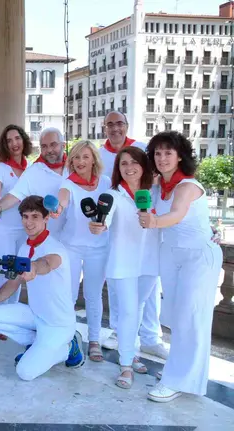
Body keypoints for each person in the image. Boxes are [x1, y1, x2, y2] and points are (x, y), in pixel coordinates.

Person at [139, 131, 223, 403]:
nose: (162, 158)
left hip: (198, 257)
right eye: (157, 153)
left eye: (168, 153)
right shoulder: (157, 185)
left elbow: (175, 215)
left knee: (192, 318)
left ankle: (176, 380)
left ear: (180, 156)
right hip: (172, 256)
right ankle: (181, 375)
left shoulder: (187, 186)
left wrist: (152, 222)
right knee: (178, 319)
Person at [0, 196, 85, 381]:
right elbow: (13, 283)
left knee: (24, 372)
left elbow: (47, 263)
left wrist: (34, 268)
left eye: (35, 216)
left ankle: (69, 347)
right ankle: (36, 345)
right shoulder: (25, 248)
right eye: (25, 216)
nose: (29, 222)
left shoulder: (55, 248)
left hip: (57, 324)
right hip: (35, 316)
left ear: (46, 218)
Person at [90, 146, 159, 389]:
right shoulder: (113, 195)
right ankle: (126, 365)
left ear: (144, 165)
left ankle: (132, 351)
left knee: (138, 308)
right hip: (122, 263)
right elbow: (104, 219)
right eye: (123, 164)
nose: (129, 168)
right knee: (129, 312)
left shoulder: (156, 190)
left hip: (150, 261)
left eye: (134, 162)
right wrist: (98, 225)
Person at [98, 111, 165, 360]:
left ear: (126, 126)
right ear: (104, 128)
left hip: (148, 243)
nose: (115, 128)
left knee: (147, 295)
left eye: (119, 124)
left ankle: (150, 337)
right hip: (118, 232)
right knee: (120, 293)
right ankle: (120, 333)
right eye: (110, 124)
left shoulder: (142, 148)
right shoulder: (100, 154)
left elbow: (160, 183)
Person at [56, 140, 111, 362]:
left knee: (93, 295)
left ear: (94, 160)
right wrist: (56, 209)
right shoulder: (67, 184)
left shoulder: (106, 183)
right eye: (76, 157)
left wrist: (104, 225)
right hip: (71, 247)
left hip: (99, 248)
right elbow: (61, 201)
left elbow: (114, 212)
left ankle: (95, 340)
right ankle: (68, 338)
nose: (80, 162)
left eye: (85, 157)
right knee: (68, 295)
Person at [0, 127, 69, 237]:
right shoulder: (34, 171)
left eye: (53, 144)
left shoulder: (75, 167)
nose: (49, 150)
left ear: (63, 145)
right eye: (44, 146)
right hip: (48, 240)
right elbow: (15, 195)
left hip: (74, 240)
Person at [0, 125, 33, 304]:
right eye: (9, 140)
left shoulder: (31, 168)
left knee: (18, 274)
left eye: (17, 138)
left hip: (24, 229)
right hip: (3, 229)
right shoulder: (0, 168)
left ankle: (10, 315)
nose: (14, 143)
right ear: (5, 145)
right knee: (2, 273)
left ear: (24, 140)